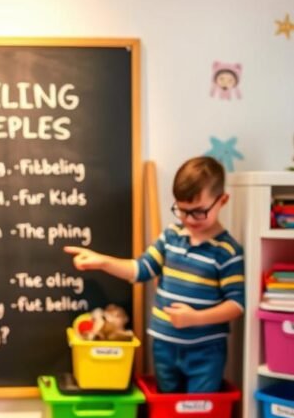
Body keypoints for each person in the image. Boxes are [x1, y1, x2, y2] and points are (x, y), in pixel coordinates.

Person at [64, 156, 245, 393]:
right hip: (164, 347)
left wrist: (195, 318)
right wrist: (103, 262)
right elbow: (141, 269)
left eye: (198, 212)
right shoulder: (171, 237)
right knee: (167, 411)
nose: (189, 219)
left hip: (205, 351)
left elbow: (236, 305)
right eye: (182, 210)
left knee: (198, 412)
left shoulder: (227, 251)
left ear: (222, 201)